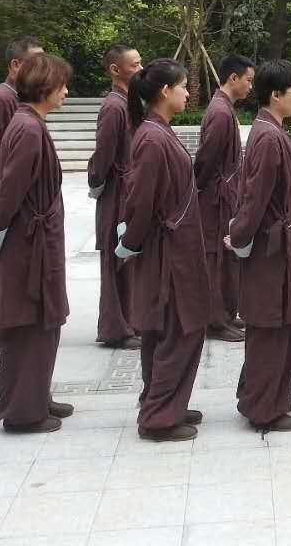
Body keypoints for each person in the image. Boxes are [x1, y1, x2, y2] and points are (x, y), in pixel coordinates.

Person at [0, 53, 72, 434]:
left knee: (43, 323)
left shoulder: (30, 123)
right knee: (29, 323)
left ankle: (36, 395)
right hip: (26, 245)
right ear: (46, 88)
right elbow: (10, 189)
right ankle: (22, 410)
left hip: (37, 240)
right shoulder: (27, 128)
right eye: (62, 85)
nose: (66, 92)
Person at [116, 59, 208, 442]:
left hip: (173, 247)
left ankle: (164, 400)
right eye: (184, 86)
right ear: (165, 91)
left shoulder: (157, 132)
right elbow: (139, 201)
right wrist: (130, 245)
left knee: (164, 330)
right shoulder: (152, 139)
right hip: (166, 252)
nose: (189, 93)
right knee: (178, 330)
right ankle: (158, 417)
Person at [229, 59, 291, 432]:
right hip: (269, 251)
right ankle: (263, 407)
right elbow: (254, 198)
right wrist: (240, 237)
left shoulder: (273, 131)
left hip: (279, 248)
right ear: (275, 94)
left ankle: (270, 395)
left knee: (281, 327)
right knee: (270, 328)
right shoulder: (267, 136)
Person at [0, 35, 43, 351]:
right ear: (16, 64)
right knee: (4, 265)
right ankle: (1, 329)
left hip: (18, 193)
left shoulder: (24, 98)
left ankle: (12, 324)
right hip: (5, 190)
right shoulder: (3, 98)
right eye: (36, 61)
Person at [196, 54, 254, 342]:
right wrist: (203, 192)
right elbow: (206, 161)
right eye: (248, 80)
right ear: (233, 78)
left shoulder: (225, 108)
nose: (250, 87)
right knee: (216, 258)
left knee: (227, 257)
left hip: (225, 195)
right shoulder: (220, 112)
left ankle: (226, 314)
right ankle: (214, 321)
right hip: (216, 199)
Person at [87, 43, 142, 350]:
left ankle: (131, 321)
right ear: (115, 70)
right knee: (115, 257)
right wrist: (97, 183)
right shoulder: (113, 106)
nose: (140, 69)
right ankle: (115, 328)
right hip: (117, 192)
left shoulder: (128, 102)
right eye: (134, 65)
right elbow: (104, 155)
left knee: (129, 259)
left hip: (129, 189)